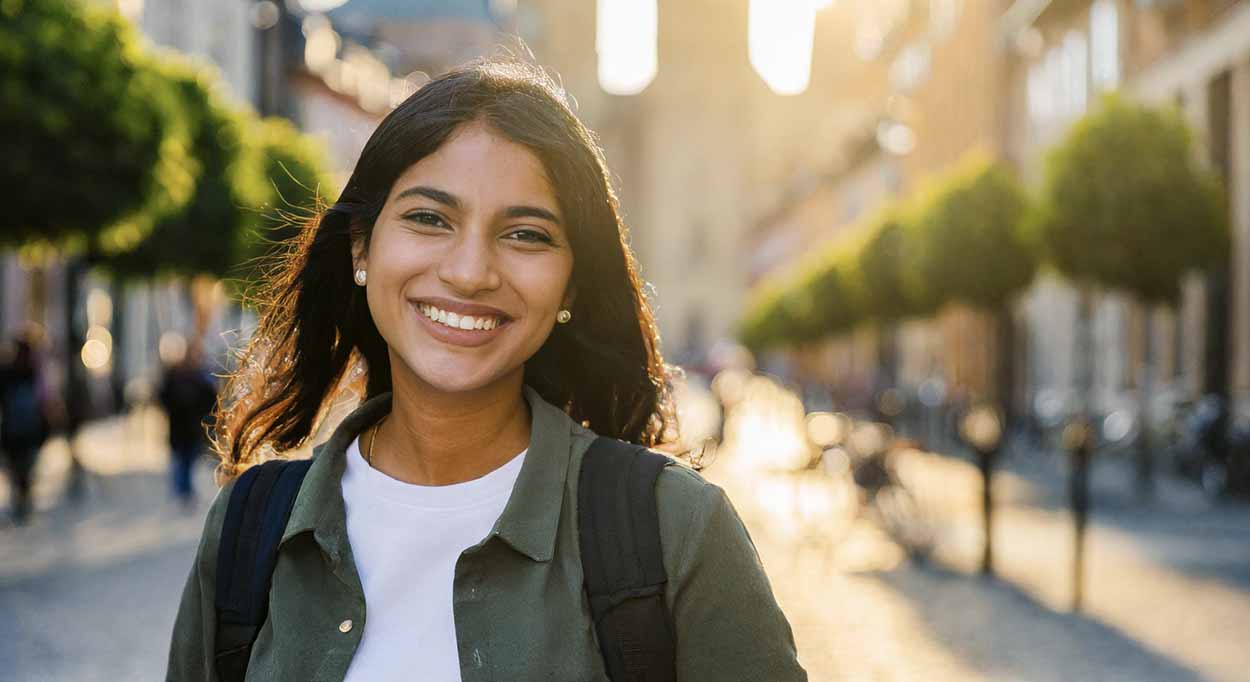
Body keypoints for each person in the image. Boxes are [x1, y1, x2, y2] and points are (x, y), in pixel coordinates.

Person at [168, 59, 806, 681]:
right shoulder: (248, 529)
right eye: (428, 218)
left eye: (526, 234)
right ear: (362, 246)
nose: (470, 271)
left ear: (572, 285)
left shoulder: (679, 531)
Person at [0, 327, 52, 525]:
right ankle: (21, 498)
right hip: (15, 430)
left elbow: (43, 399)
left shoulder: (33, 372)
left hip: (27, 430)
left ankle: (23, 498)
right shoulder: (10, 373)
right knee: (17, 468)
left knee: (24, 468)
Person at [157, 342, 218, 507]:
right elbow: (163, 398)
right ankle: (182, 491)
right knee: (181, 460)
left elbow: (211, 401)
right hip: (179, 428)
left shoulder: (200, 379)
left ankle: (184, 490)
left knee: (188, 460)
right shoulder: (174, 377)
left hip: (192, 429)